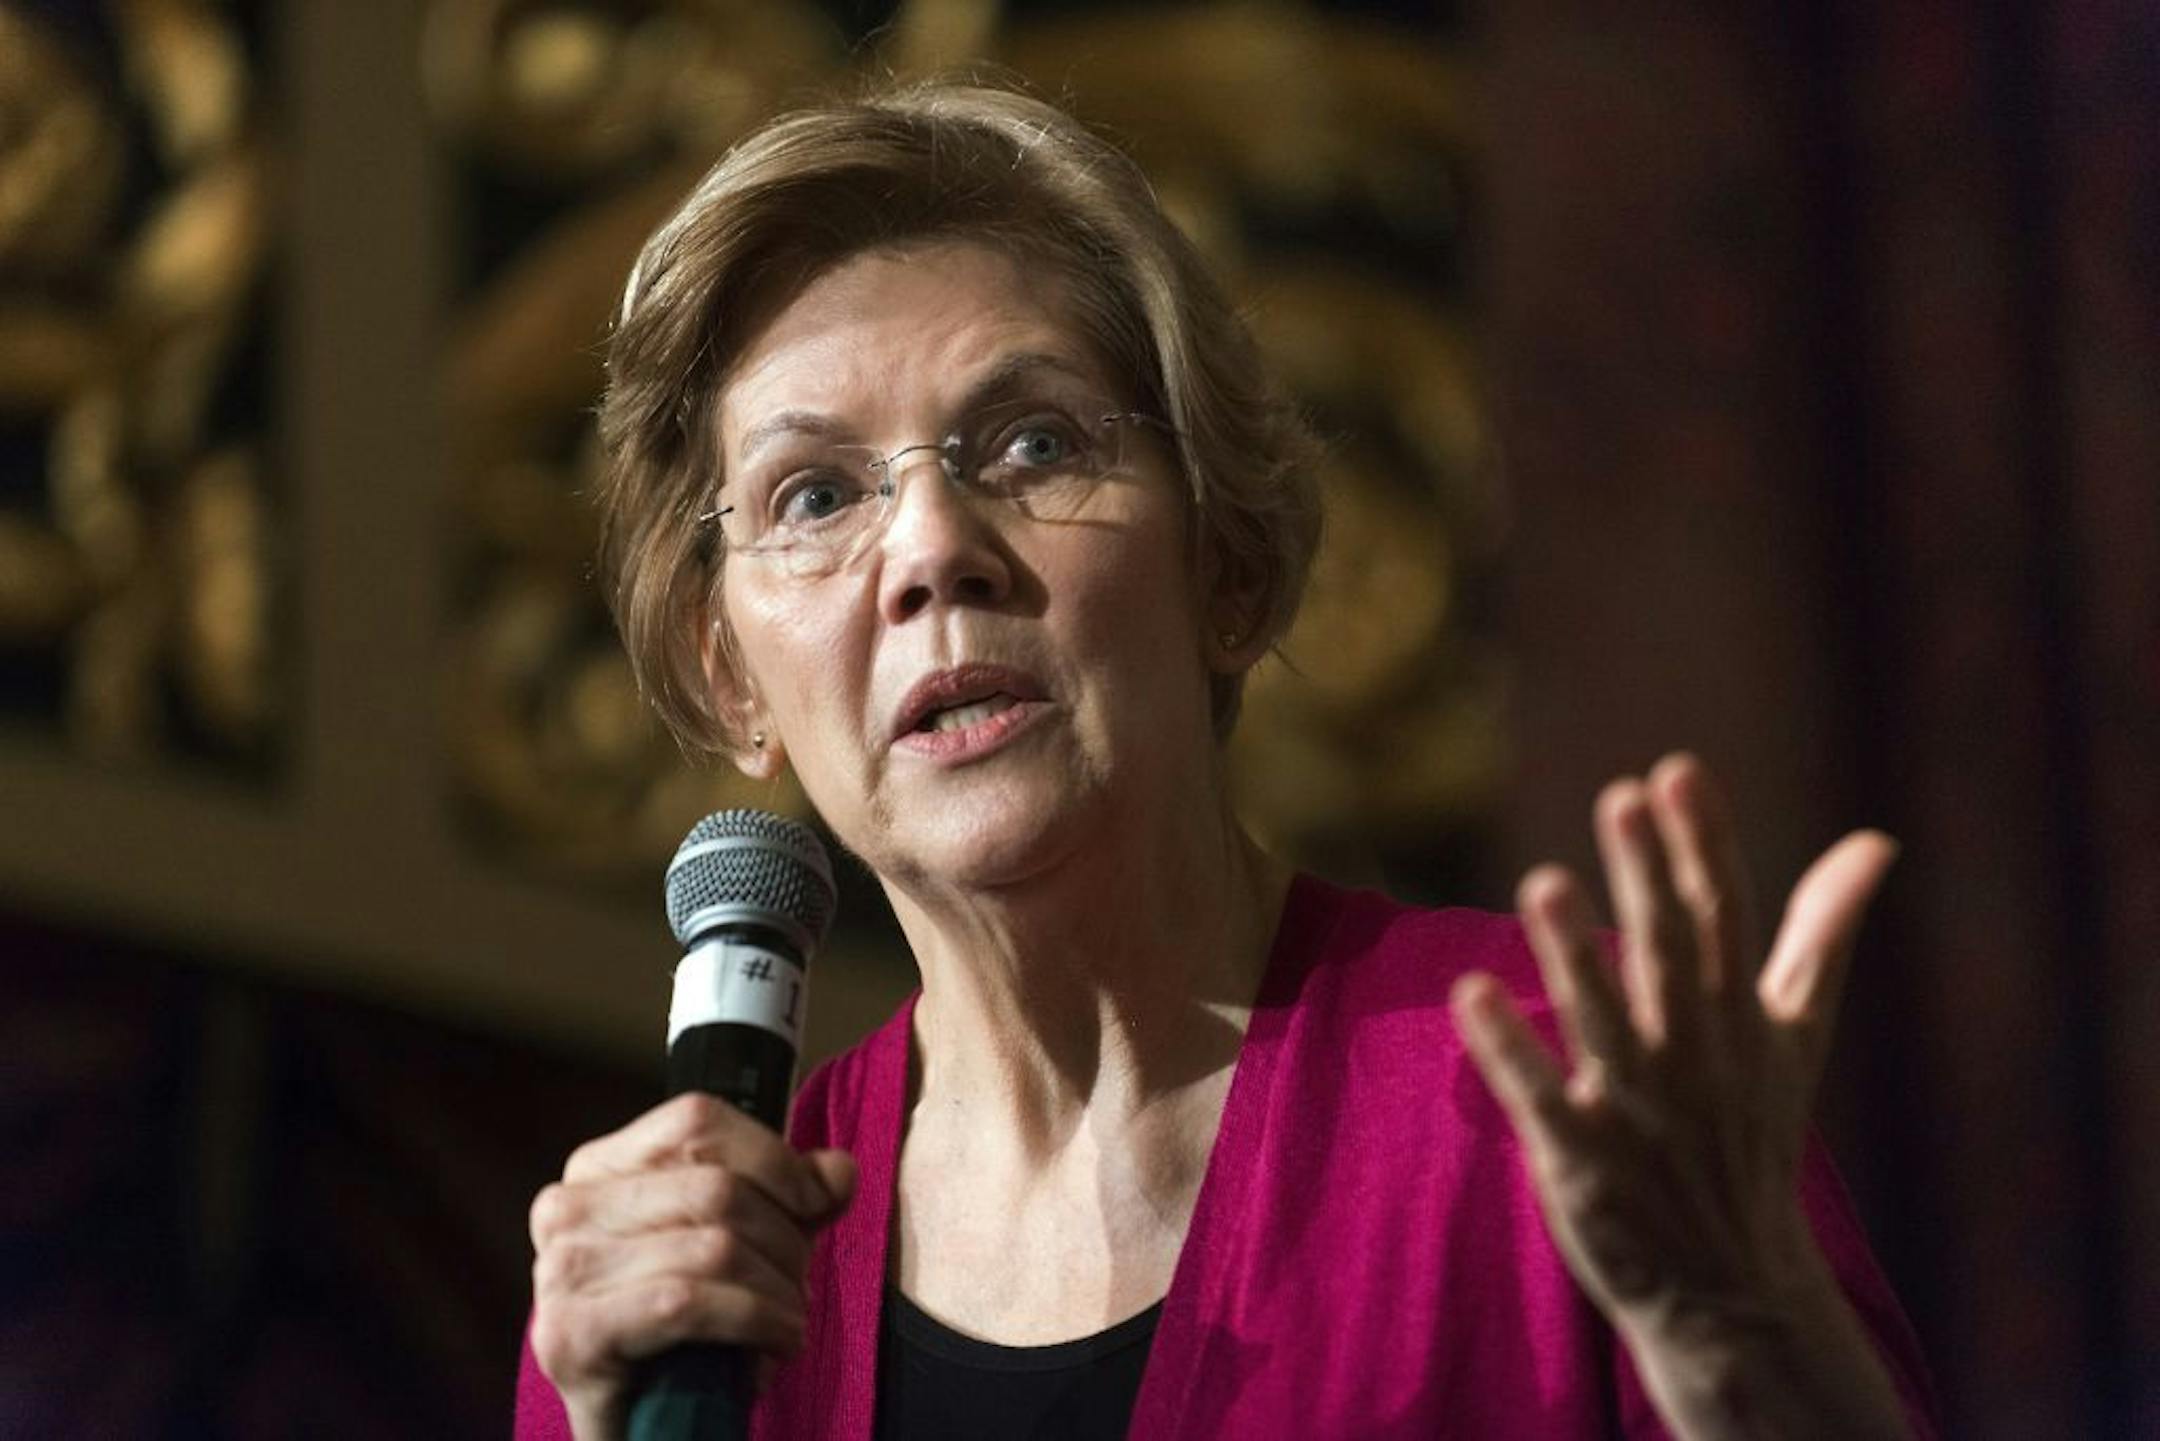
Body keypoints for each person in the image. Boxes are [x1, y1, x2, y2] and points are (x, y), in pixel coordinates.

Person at [514, 79, 1938, 1440]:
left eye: (1031, 443)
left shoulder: (1570, 1097)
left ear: (1229, 569)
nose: (935, 548)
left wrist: (1740, 1345)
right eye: (813, 493)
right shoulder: (677, 1291)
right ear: (728, 674)